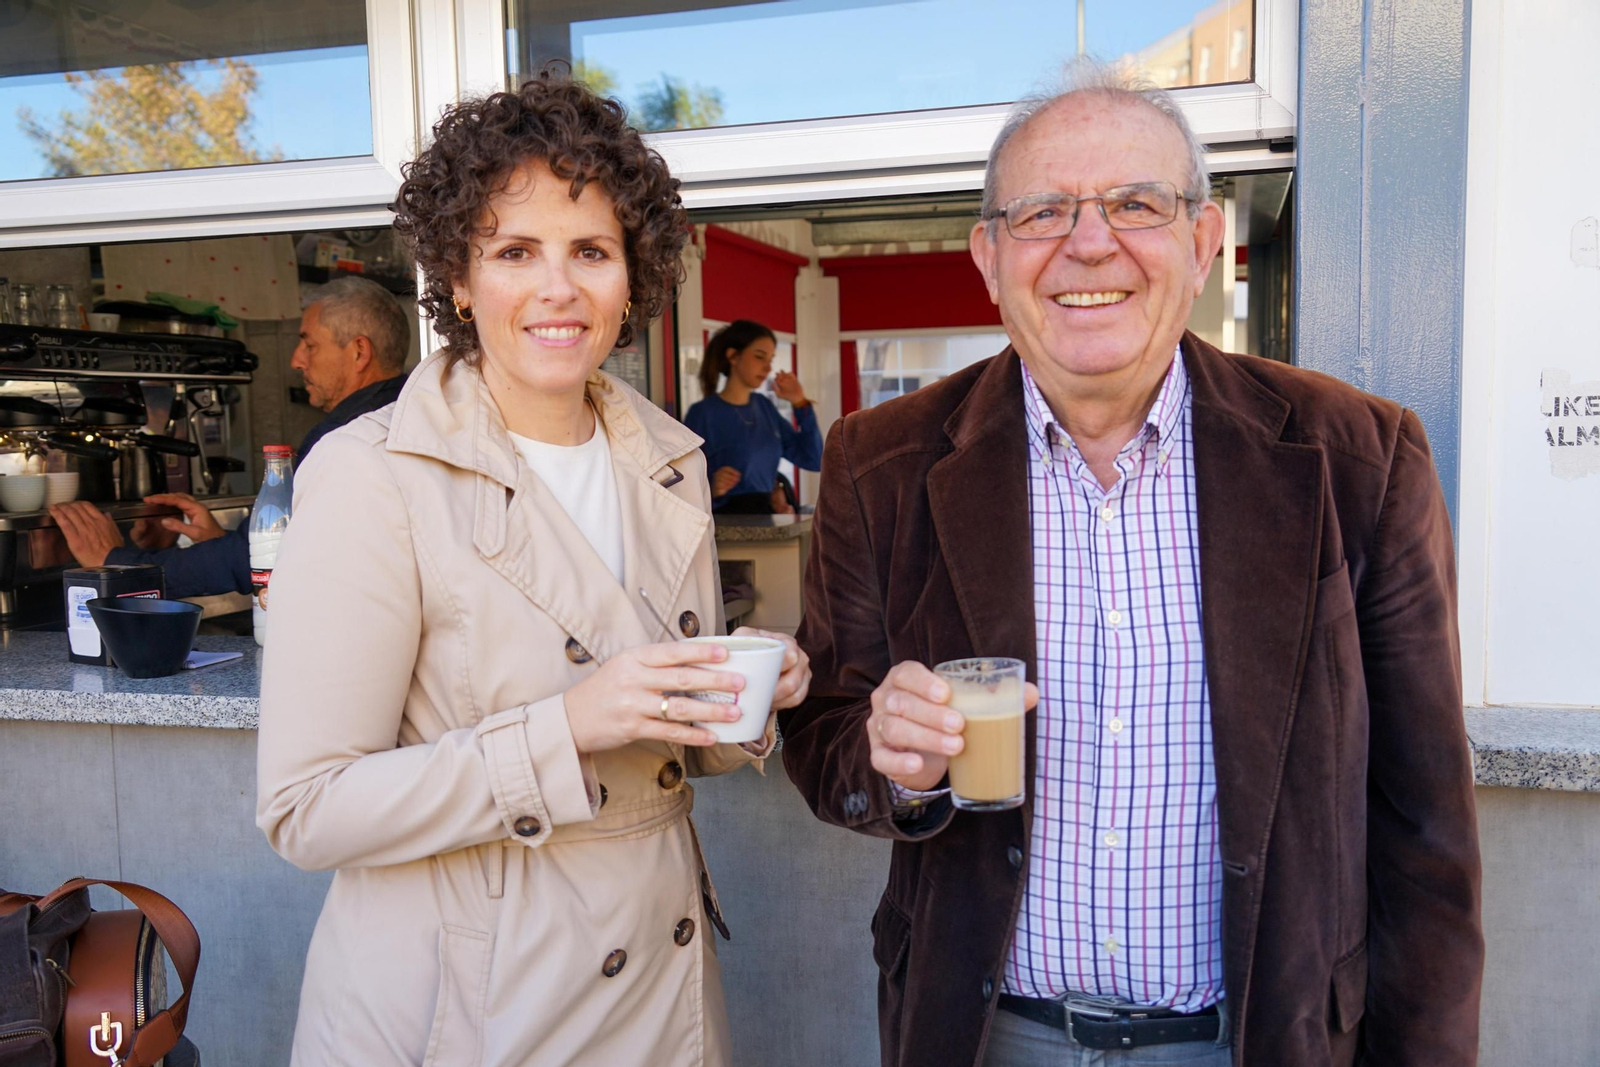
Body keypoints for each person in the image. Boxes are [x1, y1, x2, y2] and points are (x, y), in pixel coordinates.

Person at [780, 59, 1482, 1067]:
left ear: (1202, 243)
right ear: (988, 256)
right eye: (1042, 213)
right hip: (987, 1034)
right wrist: (892, 759)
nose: (1088, 242)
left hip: (1260, 1036)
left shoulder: (1357, 457)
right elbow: (827, 741)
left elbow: (1424, 826)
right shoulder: (878, 461)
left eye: (1134, 203)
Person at [254, 71, 811, 1067]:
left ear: (630, 275)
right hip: (474, 1009)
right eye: (516, 250)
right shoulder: (371, 473)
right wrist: (567, 726)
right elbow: (307, 807)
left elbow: (662, 746)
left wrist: (744, 691)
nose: (559, 288)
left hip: (662, 997)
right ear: (459, 279)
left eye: (590, 250)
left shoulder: (665, 454)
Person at [48, 275, 412, 598]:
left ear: (360, 352)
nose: (296, 360)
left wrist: (120, 564)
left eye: (309, 344)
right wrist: (222, 544)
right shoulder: (399, 415)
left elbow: (258, 558)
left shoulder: (351, 438)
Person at [684, 318, 822, 513]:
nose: (767, 368)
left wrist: (800, 403)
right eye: (759, 357)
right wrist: (711, 487)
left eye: (770, 360)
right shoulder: (702, 414)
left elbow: (814, 459)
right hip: (723, 525)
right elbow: (680, 484)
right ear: (733, 356)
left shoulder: (765, 408)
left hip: (767, 521)